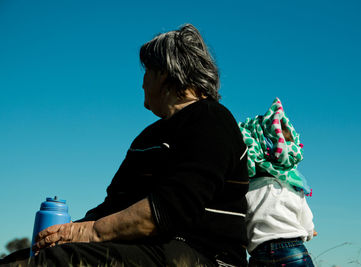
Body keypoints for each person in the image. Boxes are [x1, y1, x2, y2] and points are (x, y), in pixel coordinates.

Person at [0, 24, 249, 267]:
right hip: (149, 248)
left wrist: (90, 232)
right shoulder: (148, 138)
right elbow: (114, 205)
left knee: (56, 261)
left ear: (164, 72)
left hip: (205, 255)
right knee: (21, 259)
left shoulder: (211, 119)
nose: (142, 83)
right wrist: (64, 233)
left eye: (147, 71)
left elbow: (171, 209)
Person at [239, 98, 316, 266]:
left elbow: (242, 223)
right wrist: (309, 232)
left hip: (259, 254)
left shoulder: (247, 189)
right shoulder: (293, 186)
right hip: (292, 250)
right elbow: (306, 220)